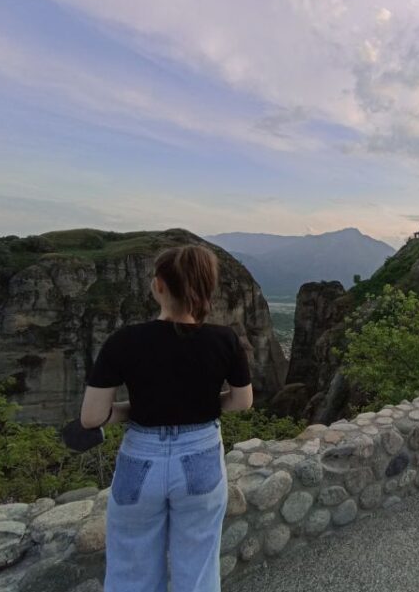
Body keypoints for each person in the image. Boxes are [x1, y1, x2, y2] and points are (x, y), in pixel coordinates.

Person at [80, 245, 253, 592]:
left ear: (159, 285)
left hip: (140, 461)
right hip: (201, 456)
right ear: (206, 287)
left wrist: (138, 409)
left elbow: (92, 417)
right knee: (199, 572)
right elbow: (242, 401)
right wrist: (201, 403)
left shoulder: (123, 341)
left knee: (131, 575)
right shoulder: (224, 339)